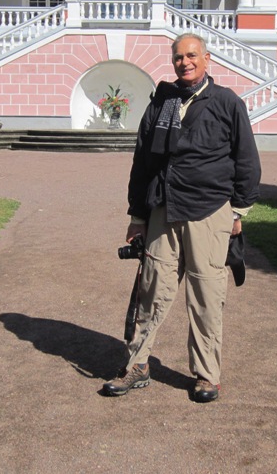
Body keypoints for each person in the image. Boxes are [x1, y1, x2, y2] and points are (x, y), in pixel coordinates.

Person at [102, 33, 261, 402]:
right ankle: (137, 365)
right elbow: (143, 161)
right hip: (163, 208)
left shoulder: (226, 102)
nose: (184, 62)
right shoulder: (163, 101)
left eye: (192, 56)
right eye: (178, 57)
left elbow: (247, 161)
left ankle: (206, 375)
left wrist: (238, 209)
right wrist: (138, 215)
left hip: (209, 210)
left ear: (207, 59)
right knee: (152, 290)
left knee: (206, 295)